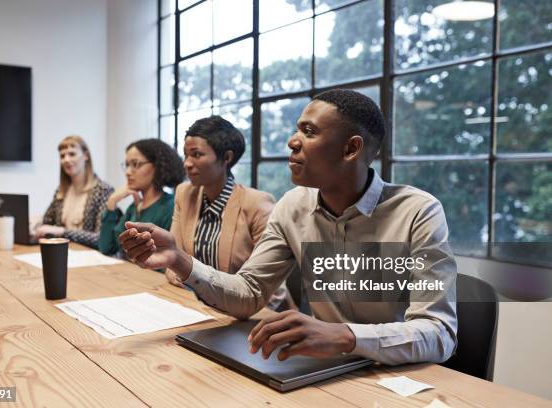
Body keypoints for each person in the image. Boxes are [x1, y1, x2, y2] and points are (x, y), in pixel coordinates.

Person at [119, 89, 457, 366]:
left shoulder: (418, 212)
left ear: (351, 148)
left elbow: (439, 333)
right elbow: (249, 294)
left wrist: (343, 336)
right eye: (297, 129)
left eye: (309, 132)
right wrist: (180, 260)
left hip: (399, 379)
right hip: (327, 369)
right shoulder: (293, 206)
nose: (292, 142)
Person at [164, 116, 287, 309]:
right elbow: (173, 259)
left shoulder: (257, 203)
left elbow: (274, 292)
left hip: (243, 314)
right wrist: (176, 271)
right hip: (192, 307)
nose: (187, 163)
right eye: (186, 155)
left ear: (227, 158)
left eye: (196, 155)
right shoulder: (184, 193)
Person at [98, 139, 184, 258]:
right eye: (127, 165)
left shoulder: (170, 206)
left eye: (135, 164)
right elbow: (106, 248)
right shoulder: (134, 207)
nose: (128, 172)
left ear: (157, 166)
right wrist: (112, 202)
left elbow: (167, 261)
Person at [36, 135, 113, 248]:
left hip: (91, 258)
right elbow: (47, 223)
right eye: (62, 156)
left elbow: (100, 238)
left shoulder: (103, 190)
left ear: (86, 156)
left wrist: (63, 232)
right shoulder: (61, 191)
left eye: (72, 154)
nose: (66, 160)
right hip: (63, 253)